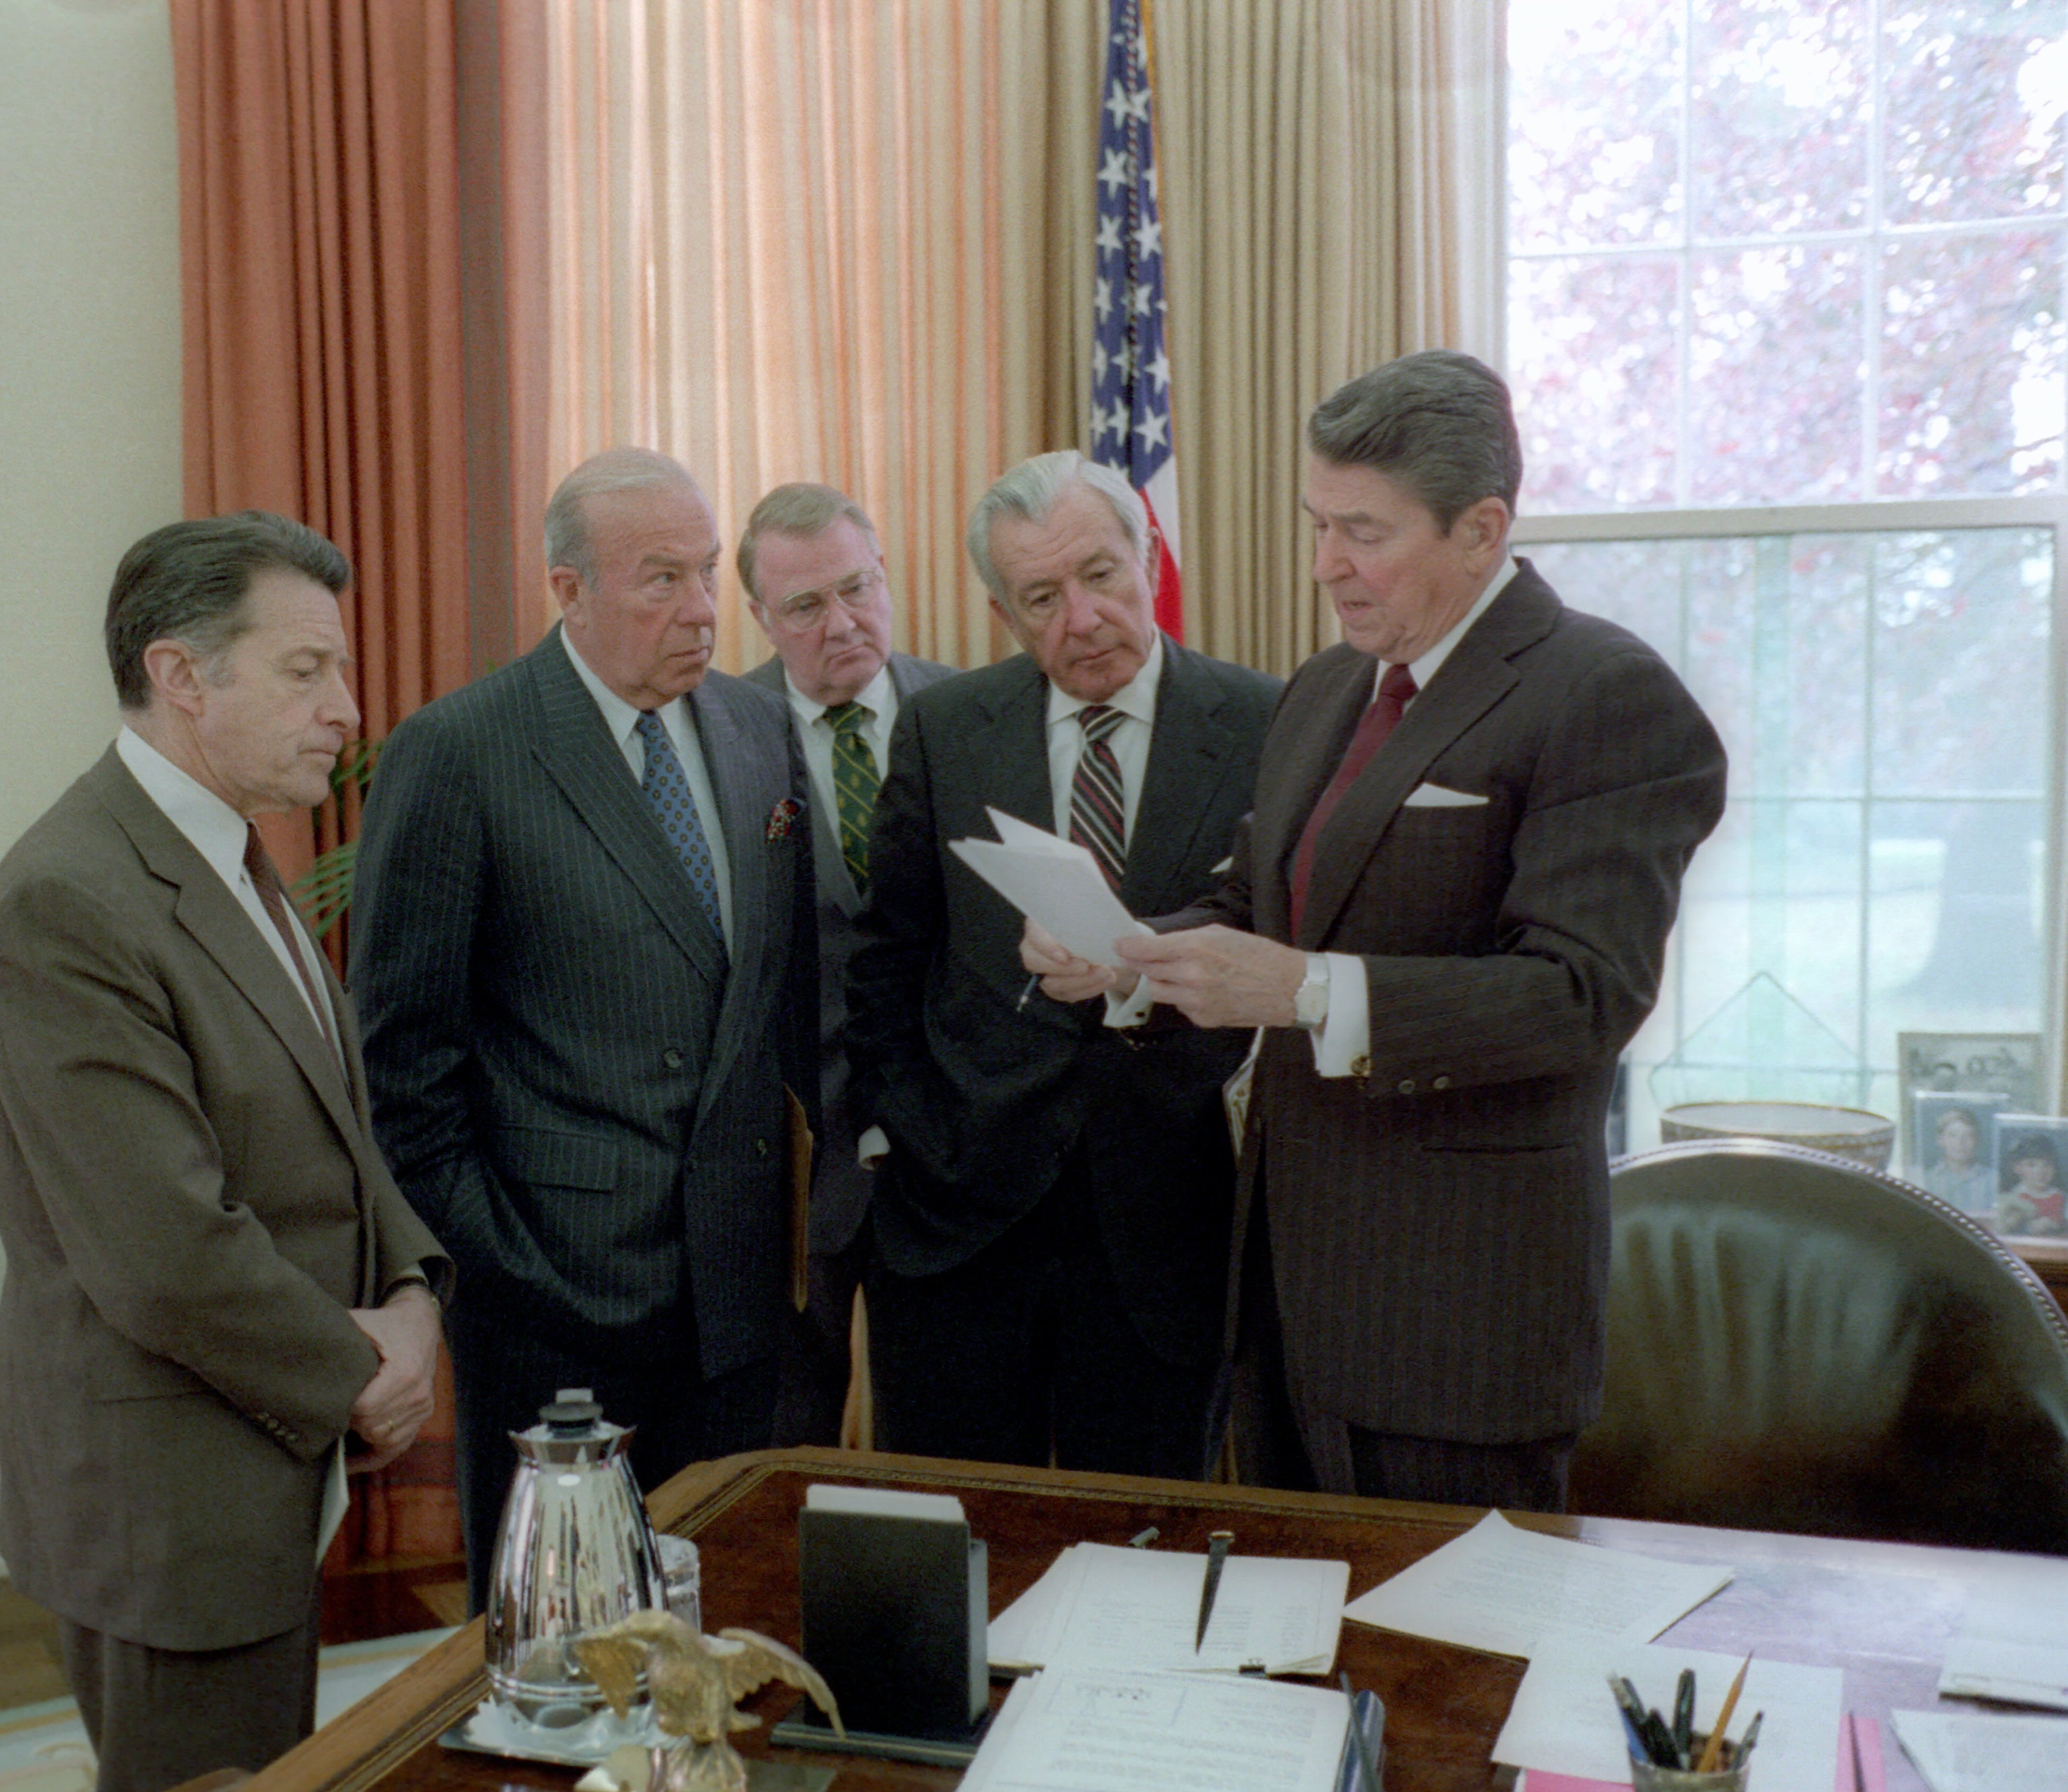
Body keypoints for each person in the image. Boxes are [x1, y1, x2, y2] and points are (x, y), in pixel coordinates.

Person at [1030, 352, 1726, 1512]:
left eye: (1365, 531)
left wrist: (1307, 990)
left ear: (1482, 527)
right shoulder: (1326, 687)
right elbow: (1255, 907)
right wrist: (1130, 958)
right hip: (1286, 1303)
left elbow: (1581, 993)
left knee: (1457, 1681)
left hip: (1460, 1323)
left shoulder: (1604, 691)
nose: (1326, 566)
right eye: (1318, 524)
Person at [0, 512, 449, 1792]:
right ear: (181, 676)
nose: (348, 706)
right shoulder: (66, 900)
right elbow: (163, 1252)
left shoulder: (222, 851)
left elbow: (340, 1120)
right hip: (164, 1507)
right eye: (306, 670)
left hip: (251, 1469)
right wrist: (362, 1371)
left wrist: (410, 1292)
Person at [350, 448, 817, 1599]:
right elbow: (404, 1070)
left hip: (739, 1303)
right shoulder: (463, 752)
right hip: (554, 1314)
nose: (703, 610)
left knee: (724, 1627)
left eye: (709, 572)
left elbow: (781, 1001)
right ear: (566, 588)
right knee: (564, 1660)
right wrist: (509, 1271)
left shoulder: (758, 728)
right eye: (661, 578)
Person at [842, 451, 1279, 1480]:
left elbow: (1271, 932)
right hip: (958, 1226)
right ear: (1004, 612)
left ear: (1149, 557)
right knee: (957, 1559)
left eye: (1101, 575)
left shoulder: (1266, 721)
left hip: (1168, 1227)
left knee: (1140, 1556)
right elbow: (885, 963)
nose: (1081, 618)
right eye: (1042, 596)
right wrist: (913, 1138)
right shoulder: (947, 727)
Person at [737, 482, 954, 1447]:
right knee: (786, 1439)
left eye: (858, 588)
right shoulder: (717, 730)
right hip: (785, 1164)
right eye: (805, 606)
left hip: (946, 1154)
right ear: (759, 618)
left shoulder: (972, 714)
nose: (843, 623)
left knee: (948, 1437)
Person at [1996, 1132, 2068, 1239]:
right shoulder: (2009, 1199)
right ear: (2017, 1168)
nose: (2040, 1172)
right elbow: (2001, 1234)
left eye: (2047, 1164)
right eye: (2031, 1165)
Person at [1921, 1105, 1996, 1219]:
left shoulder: (1992, 1179)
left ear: (1977, 1140)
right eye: (1953, 1136)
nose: (1960, 1143)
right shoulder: (1926, 1180)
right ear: (1940, 1140)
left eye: (1968, 1136)